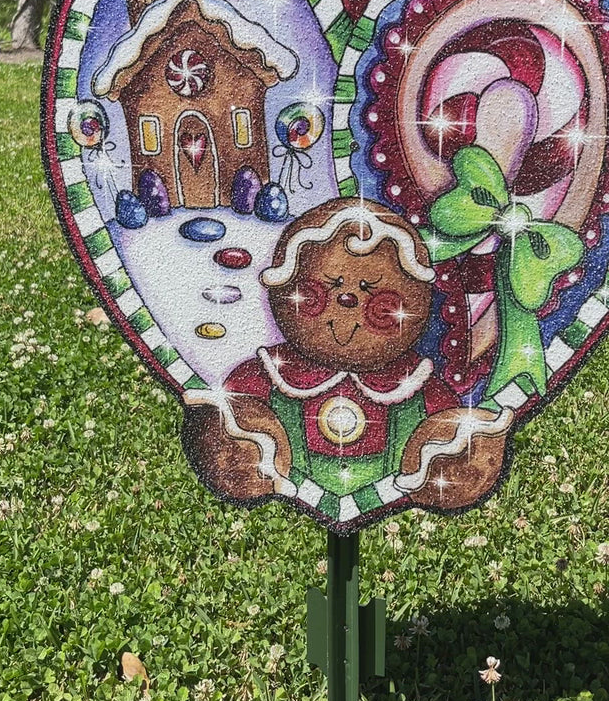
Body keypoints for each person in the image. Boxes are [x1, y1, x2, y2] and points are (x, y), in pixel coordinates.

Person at [183, 197, 513, 521]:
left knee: (453, 442)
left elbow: (443, 414)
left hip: (391, 474)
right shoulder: (271, 372)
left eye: (371, 289)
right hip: (291, 468)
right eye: (330, 286)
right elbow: (238, 398)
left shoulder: (413, 383)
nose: (347, 299)